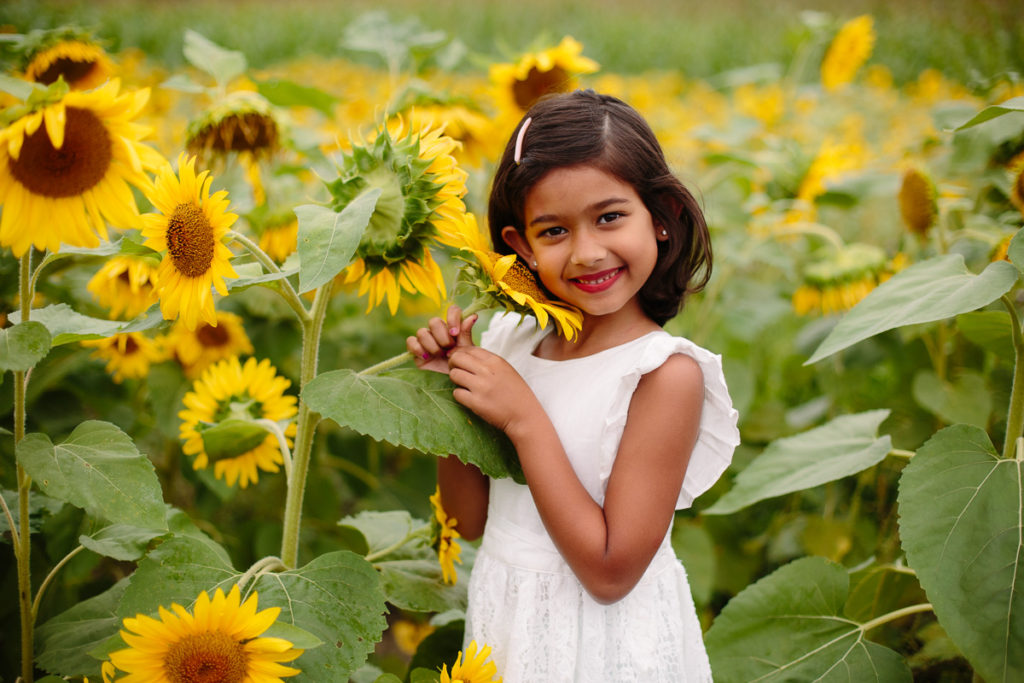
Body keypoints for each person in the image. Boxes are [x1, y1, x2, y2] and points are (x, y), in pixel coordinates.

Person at [407, 90, 740, 681]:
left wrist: (524, 420)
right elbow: (469, 521)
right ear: (521, 248)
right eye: (554, 231)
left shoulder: (663, 375)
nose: (587, 253)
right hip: (511, 628)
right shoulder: (511, 341)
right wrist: (446, 400)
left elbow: (612, 574)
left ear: (661, 217)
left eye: (609, 217)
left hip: (610, 648)